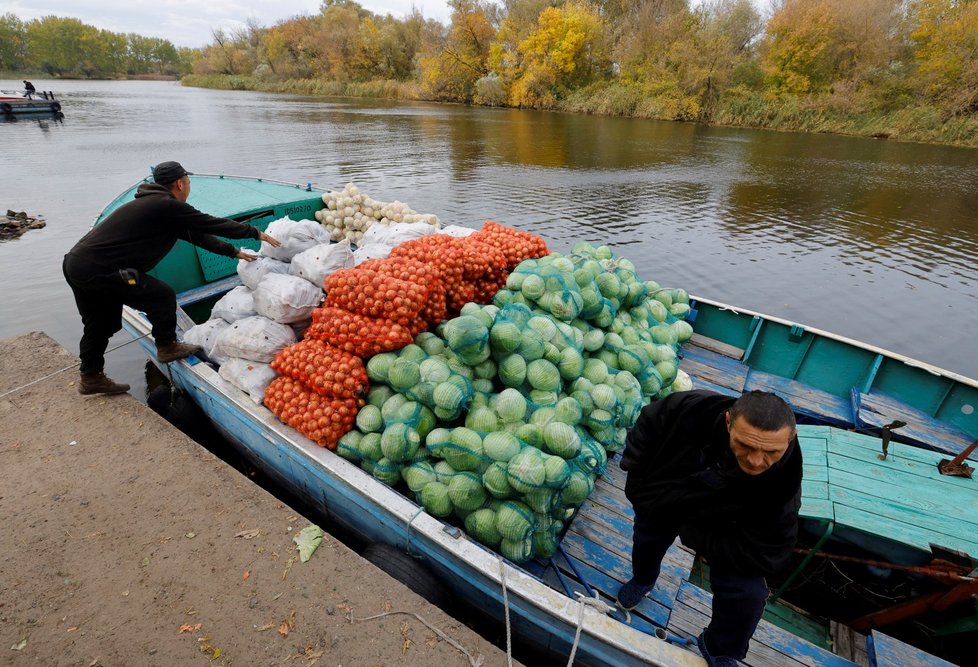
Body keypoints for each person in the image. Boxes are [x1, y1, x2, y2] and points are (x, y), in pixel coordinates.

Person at [63, 160, 281, 395]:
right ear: (179, 184)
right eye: (188, 182)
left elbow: (199, 236)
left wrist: (234, 252)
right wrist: (255, 233)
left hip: (76, 264)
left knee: (100, 325)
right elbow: (212, 224)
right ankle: (166, 346)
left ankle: (91, 377)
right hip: (101, 268)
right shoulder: (166, 207)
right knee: (162, 295)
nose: (188, 187)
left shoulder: (158, 208)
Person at [616, 389, 801, 667]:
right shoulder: (692, 408)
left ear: (790, 440)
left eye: (771, 452)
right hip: (672, 493)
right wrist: (636, 470)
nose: (755, 460)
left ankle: (719, 647)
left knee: (749, 594)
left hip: (726, 527)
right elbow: (649, 422)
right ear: (728, 422)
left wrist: (698, 537)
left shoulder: (783, 486)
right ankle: (644, 578)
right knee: (647, 537)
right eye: (745, 445)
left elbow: (767, 552)